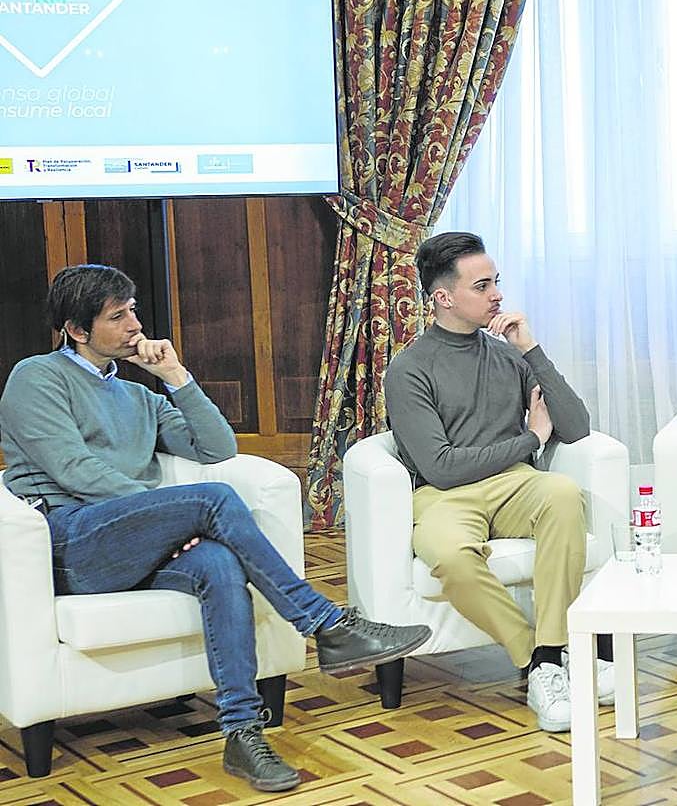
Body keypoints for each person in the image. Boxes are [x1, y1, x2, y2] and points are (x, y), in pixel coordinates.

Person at [0, 265, 432, 793]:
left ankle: (242, 733)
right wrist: (169, 513)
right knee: (212, 500)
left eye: (134, 308)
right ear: (77, 329)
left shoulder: (139, 397)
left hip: (132, 541)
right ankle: (326, 625)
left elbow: (216, 447)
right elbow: (74, 471)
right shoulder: (37, 377)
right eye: (118, 316)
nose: (135, 324)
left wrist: (177, 378)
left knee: (219, 563)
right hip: (70, 543)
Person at [384, 231, 613, 733]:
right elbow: (441, 466)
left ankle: (553, 651)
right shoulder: (408, 370)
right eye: (482, 285)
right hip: (445, 496)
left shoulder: (508, 355)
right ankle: (540, 660)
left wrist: (530, 349)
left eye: (497, 282)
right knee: (447, 555)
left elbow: (574, 427)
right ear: (444, 298)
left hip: (513, 485)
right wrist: (530, 440)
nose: (497, 295)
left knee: (562, 493)